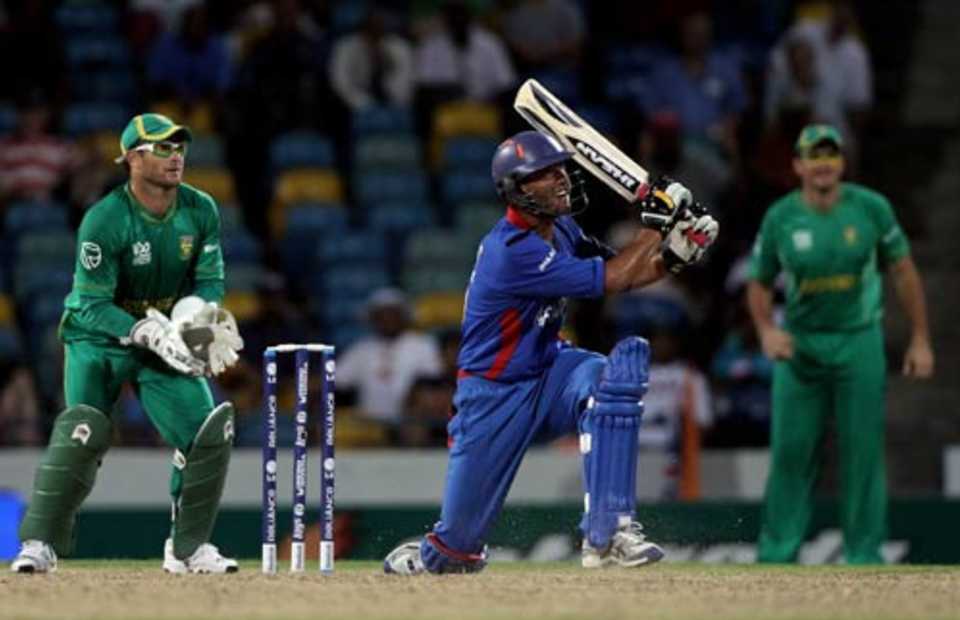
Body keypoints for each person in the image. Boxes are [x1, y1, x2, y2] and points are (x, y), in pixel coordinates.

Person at [383, 130, 718, 574]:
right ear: (517, 191)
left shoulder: (561, 227)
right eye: (544, 174)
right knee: (457, 553)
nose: (561, 179)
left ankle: (609, 533)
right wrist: (656, 225)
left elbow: (625, 270)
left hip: (550, 369)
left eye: (561, 168)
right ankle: (434, 555)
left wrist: (677, 251)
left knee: (611, 375)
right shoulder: (509, 252)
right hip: (494, 395)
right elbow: (614, 278)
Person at [10, 113, 244, 574]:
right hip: (98, 338)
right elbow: (92, 303)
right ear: (132, 159)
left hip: (164, 338)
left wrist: (200, 318)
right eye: (161, 148)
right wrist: (142, 330)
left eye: (179, 147)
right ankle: (39, 545)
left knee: (208, 432)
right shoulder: (104, 219)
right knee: (84, 431)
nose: (175, 155)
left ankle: (188, 548)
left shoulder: (201, 210)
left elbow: (210, 280)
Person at [747, 124, 934, 564]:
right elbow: (758, 282)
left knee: (863, 452)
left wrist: (921, 339)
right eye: (814, 156)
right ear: (798, 166)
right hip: (801, 348)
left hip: (858, 341)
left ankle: (864, 554)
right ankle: (776, 554)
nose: (823, 163)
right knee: (792, 452)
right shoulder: (780, 217)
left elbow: (904, 273)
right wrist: (766, 331)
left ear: (842, 162)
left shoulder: (871, 208)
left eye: (830, 154)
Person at [336, 288, 443, 425]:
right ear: (373, 319)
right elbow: (337, 381)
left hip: (411, 423)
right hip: (369, 424)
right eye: (381, 315)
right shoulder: (361, 349)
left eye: (392, 314)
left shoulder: (423, 344)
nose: (387, 319)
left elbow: (432, 382)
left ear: (404, 316)